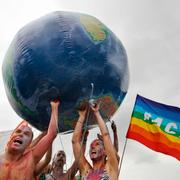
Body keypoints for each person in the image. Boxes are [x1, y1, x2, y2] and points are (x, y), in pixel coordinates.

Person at [0, 100, 59, 180]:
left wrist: (54, 107)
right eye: (18, 131)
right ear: (10, 138)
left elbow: (51, 134)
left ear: (29, 144)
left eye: (26, 134)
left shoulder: (31, 159)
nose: (21, 134)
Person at [72, 102, 119, 180]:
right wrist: (82, 116)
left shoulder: (111, 167)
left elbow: (106, 135)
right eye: (91, 146)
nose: (93, 147)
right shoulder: (85, 170)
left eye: (97, 144)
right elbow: (75, 142)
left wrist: (96, 113)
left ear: (105, 151)